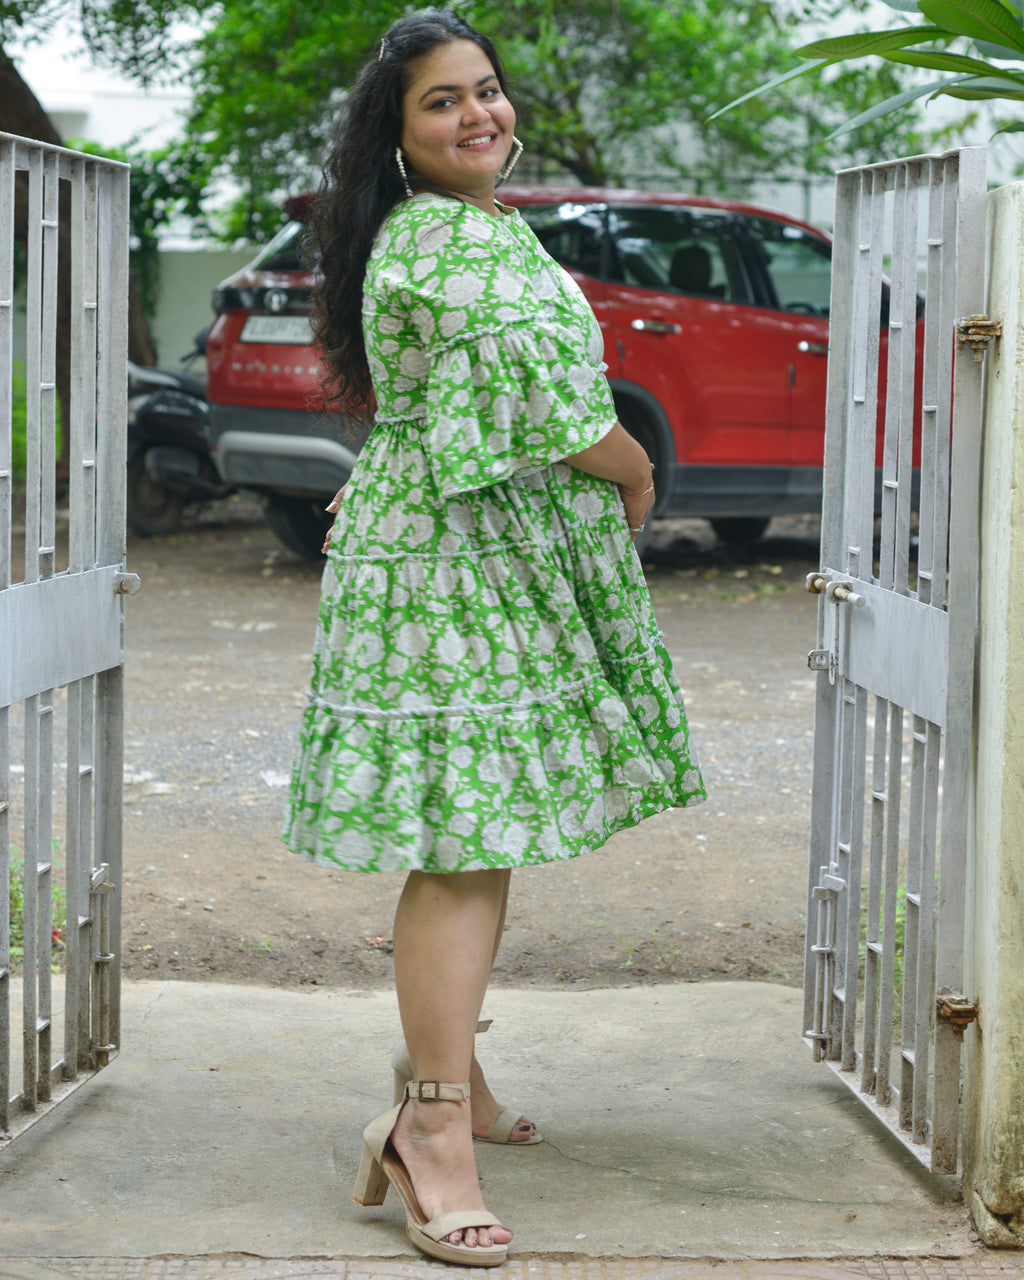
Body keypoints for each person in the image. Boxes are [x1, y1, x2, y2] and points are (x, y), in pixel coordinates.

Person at [283, 8, 705, 1267]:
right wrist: (632, 471)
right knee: (467, 836)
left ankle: (445, 1064)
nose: (480, 113)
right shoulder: (442, 240)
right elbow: (544, 404)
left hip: (474, 554)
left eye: (488, 90)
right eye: (442, 101)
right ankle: (429, 1127)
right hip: (451, 570)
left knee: (485, 823)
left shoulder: (474, 230)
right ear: (399, 138)